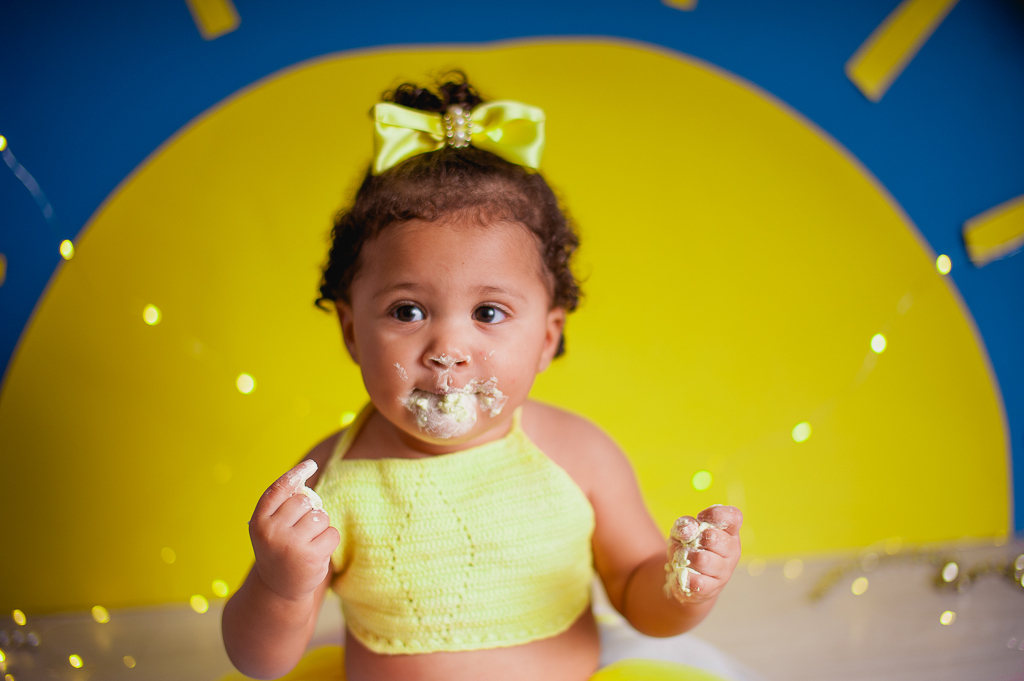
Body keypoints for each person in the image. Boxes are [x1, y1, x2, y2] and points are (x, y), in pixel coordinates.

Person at [221, 73, 743, 681]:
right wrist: (279, 585)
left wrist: (684, 586)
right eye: (407, 311)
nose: (448, 350)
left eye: (488, 313)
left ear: (547, 337)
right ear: (351, 331)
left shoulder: (579, 455)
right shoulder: (331, 482)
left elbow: (635, 591)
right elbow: (260, 662)